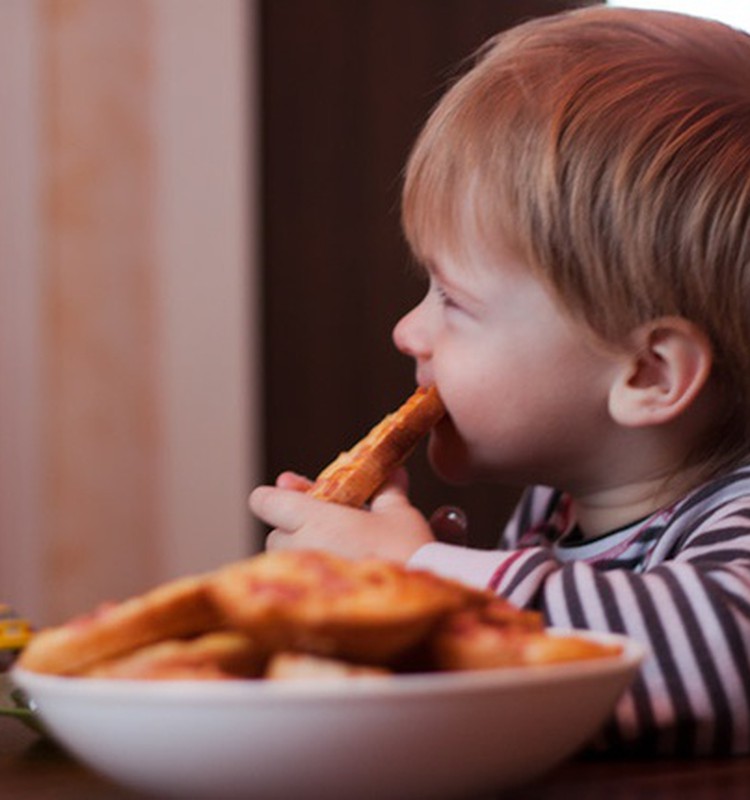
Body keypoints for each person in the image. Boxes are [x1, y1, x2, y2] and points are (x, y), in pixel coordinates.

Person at [249, 6, 750, 757]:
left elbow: (713, 652)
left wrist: (418, 580)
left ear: (648, 374)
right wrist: (372, 616)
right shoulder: (552, 513)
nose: (407, 332)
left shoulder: (734, 523)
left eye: (455, 301)